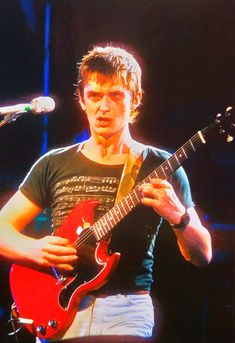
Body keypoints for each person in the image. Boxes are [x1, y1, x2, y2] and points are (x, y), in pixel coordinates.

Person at [0, 46, 212, 342]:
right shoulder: (53, 163)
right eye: (95, 96)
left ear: (135, 99)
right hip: (57, 307)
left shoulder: (161, 165)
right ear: (82, 100)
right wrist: (32, 250)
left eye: (115, 95)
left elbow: (203, 254)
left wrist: (179, 216)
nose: (103, 107)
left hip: (124, 311)